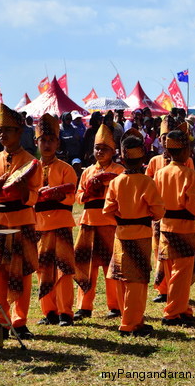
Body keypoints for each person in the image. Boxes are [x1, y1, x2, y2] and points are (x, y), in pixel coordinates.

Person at [0, 103, 42, 341]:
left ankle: (20, 321)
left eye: (8, 130)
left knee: (23, 272)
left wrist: (23, 190)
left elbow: (36, 195)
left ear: (19, 132)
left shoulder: (32, 161)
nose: (3, 135)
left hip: (23, 221)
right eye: (0, 131)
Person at [103, 132, 165, 336]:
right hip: (140, 235)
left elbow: (107, 210)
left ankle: (130, 319)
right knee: (137, 281)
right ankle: (130, 324)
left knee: (122, 278)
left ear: (122, 158)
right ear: (143, 159)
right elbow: (158, 212)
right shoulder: (147, 182)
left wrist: (121, 221)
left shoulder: (115, 182)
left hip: (121, 235)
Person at [73, 124, 124, 321]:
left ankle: (115, 305)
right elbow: (78, 197)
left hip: (109, 223)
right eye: (97, 148)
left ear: (113, 152)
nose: (100, 152)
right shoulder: (87, 172)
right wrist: (87, 192)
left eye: (104, 149)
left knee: (111, 266)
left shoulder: (119, 171)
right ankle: (83, 307)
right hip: (88, 222)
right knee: (86, 265)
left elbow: (122, 195)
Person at [155, 126, 195, 327]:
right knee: (181, 274)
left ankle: (182, 309)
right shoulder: (189, 174)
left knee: (171, 269)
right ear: (184, 151)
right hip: (184, 228)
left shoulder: (160, 173)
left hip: (165, 226)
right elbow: (190, 204)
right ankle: (172, 313)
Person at [33, 114, 78, 327]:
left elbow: (71, 197)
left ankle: (65, 313)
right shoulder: (30, 169)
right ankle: (49, 311)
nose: (48, 144)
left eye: (51, 140)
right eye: (44, 140)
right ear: (37, 142)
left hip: (60, 223)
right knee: (43, 268)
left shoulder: (66, 168)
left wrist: (56, 194)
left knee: (64, 268)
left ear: (58, 143)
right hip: (38, 224)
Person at [146, 115, 194, 304]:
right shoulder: (154, 162)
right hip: (159, 215)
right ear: (160, 140)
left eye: (170, 136)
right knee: (160, 252)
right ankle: (163, 289)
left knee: (177, 256)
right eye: (164, 136)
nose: (167, 140)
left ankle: (176, 290)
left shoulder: (186, 163)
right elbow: (146, 185)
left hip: (179, 217)